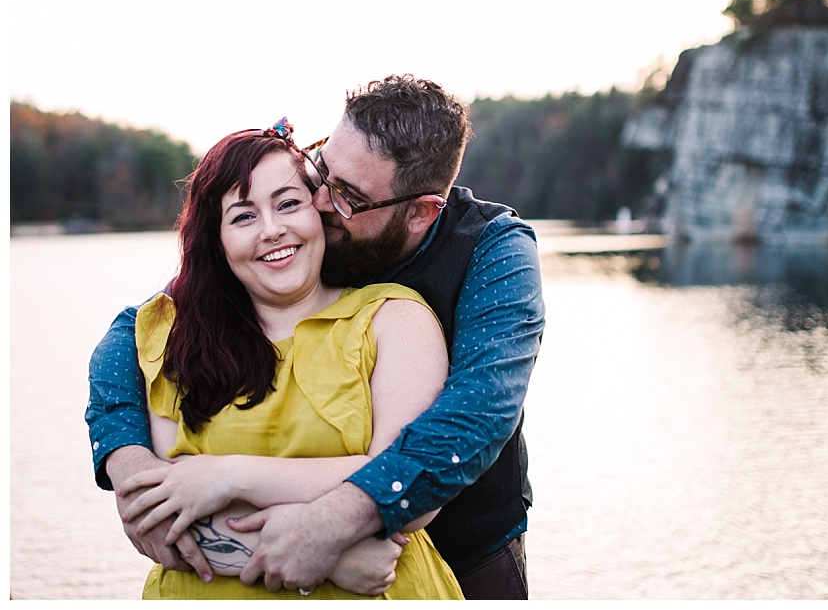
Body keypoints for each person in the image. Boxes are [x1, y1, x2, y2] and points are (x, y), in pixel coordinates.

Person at [86, 75, 545, 599]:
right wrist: (125, 458)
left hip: (465, 551)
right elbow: (136, 329)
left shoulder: (491, 254)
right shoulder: (298, 229)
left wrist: (333, 530)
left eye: (348, 196)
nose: (320, 201)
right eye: (322, 168)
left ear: (420, 212)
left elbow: (477, 414)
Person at [115, 119, 463, 599]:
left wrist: (227, 476)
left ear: (319, 210)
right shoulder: (173, 333)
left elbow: (408, 488)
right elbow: (160, 514)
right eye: (243, 216)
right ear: (215, 240)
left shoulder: (393, 319)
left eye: (288, 203)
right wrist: (332, 556)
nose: (273, 230)